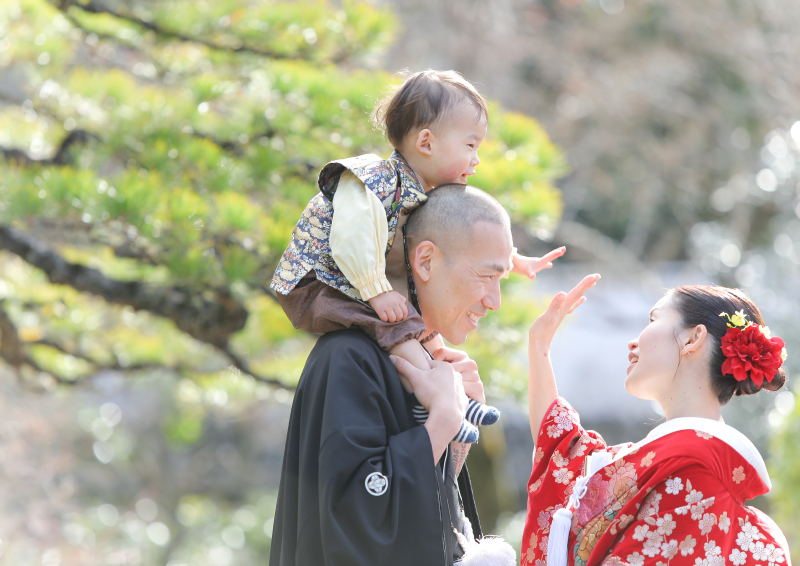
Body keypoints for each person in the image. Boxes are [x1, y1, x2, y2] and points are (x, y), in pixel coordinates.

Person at [270, 69, 564, 445]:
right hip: (321, 280)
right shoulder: (373, 181)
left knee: (421, 330)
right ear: (426, 142)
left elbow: (461, 241)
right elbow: (351, 240)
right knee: (398, 325)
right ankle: (433, 400)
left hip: (356, 281)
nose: (476, 160)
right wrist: (377, 291)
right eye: (470, 145)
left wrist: (513, 261)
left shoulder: (418, 194)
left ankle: (452, 398)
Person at [269, 185, 518, 566]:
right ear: (426, 261)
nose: (494, 301)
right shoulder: (348, 357)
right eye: (486, 276)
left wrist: (456, 436)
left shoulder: (426, 363)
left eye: (501, 281)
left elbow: (434, 519)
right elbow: (352, 524)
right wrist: (443, 420)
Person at [521, 280, 792, 566]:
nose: (632, 342)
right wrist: (539, 347)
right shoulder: (667, 458)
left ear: (692, 339)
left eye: (653, 319)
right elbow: (562, 454)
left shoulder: (695, 470)